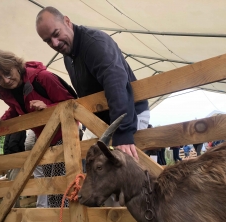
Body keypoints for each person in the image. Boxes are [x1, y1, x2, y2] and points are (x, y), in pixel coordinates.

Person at [36, 7, 150, 160]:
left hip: (128, 116)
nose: (55, 43)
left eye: (56, 34)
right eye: (48, 41)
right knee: (87, 162)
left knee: (125, 171)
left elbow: (116, 83)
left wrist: (122, 133)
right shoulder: (68, 57)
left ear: (67, 21)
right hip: (101, 122)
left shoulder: (94, 43)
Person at [0, 49, 75, 208]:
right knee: (51, 188)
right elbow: (16, 109)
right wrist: (1, 120)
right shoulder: (9, 92)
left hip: (63, 137)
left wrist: (48, 107)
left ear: (16, 65)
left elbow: (73, 104)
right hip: (44, 140)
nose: (6, 80)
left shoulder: (42, 78)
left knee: (63, 187)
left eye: (8, 73)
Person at [25, 129, 48, 208]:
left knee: (40, 180)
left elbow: (28, 144)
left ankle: (42, 206)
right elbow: (29, 144)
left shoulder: (34, 129)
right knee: (47, 180)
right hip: (44, 157)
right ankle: (45, 205)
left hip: (38, 158)